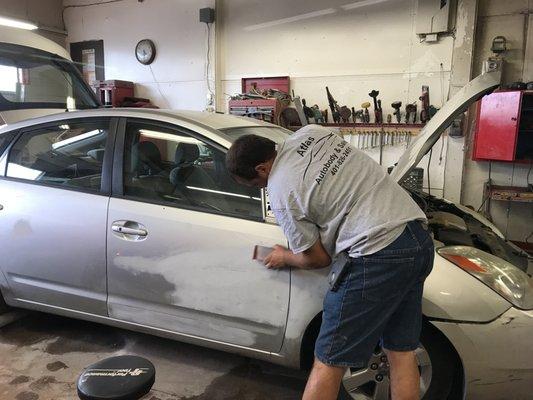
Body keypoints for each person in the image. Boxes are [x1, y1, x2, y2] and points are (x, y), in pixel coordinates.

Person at [226, 124, 434, 400]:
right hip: (416, 238)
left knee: (328, 360)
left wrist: (283, 256)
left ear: (262, 169)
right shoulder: (311, 132)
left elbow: (317, 258)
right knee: (401, 350)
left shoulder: (281, 193)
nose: (260, 188)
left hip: (377, 254)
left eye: (255, 184)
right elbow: (332, 186)